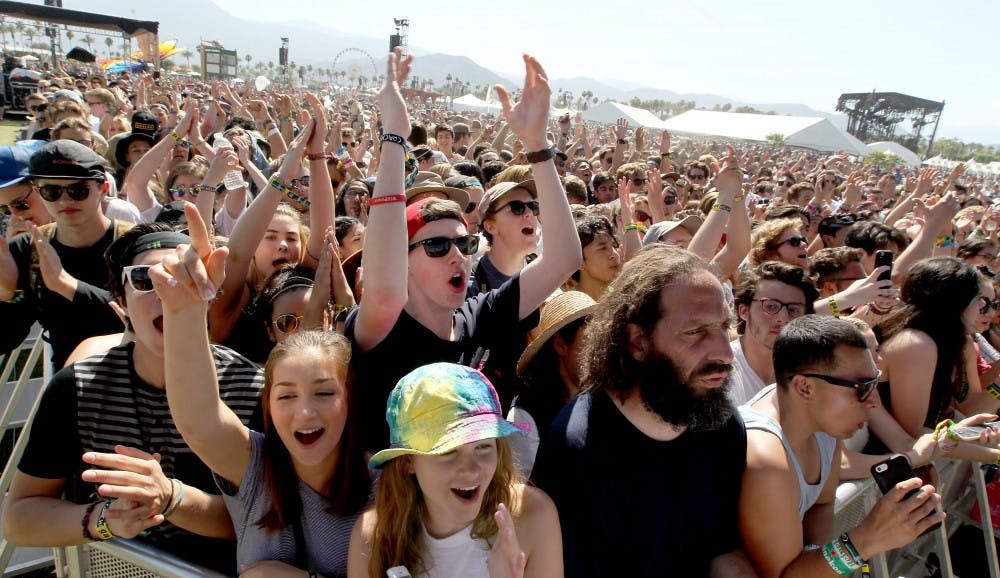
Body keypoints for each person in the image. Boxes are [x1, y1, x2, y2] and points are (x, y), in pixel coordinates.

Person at [345, 51, 581, 452]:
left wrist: (538, 147)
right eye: (437, 245)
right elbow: (384, 291)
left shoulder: (483, 315)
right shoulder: (382, 328)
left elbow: (564, 259)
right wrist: (394, 137)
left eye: (464, 243)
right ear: (402, 260)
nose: (457, 255)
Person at [2, 222, 263, 573]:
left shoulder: (249, 385)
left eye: (181, 274)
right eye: (144, 278)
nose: (166, 290)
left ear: (208, 289)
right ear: (121, 302)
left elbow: (267, 520)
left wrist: (172, 498)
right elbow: (20, 518)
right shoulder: (80, 386)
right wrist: (104, 518)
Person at [151, 206, 370, 577]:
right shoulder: (255, 468)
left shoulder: (381, 479)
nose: (305, 412)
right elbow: (200, 419)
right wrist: (183, 312)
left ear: (348, 397)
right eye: (286, 395)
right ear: (266, 403)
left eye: (323, 393)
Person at [531, 246, 754, 577]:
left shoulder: (718, 420)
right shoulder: (577, 450)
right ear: (637, 342)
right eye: (695, 332)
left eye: (724, 327)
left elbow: (720, 549)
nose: (724, 352)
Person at [738, 315, 947, 577]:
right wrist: (865, 541)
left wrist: (817, 558)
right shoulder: (767, 461)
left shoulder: (820, 418)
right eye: (862, 387)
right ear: (804, 387)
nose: (874, 401)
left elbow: (822, 505)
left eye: (875, 382)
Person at [347, 362, 563, 578]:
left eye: (483, 446)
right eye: (448, 451)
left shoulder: (533, 517)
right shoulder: (372, 539)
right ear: (408, 461)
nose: (471, 471)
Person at [0, 140, 132, 368]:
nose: (65, 200)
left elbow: (138, 320)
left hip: (135, 380)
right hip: (70, 382)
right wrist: (7, 295)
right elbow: (7, 338)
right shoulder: (28, 248)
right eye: (51, 192)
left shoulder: (133, 243)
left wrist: (66, 284)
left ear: (103, 189)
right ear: (40, 194)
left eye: (77, 190)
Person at [509, 291, 596, 474]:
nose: (599, 354)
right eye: (590, 342)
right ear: (561, 345)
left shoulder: (606, 400)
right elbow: (518, 492)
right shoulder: (525, 415)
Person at [730, 262, 818, 404]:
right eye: (770, 306)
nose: (783, 318)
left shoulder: (814, 372)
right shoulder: (721, 372)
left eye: (793, 309)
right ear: (744, 311)